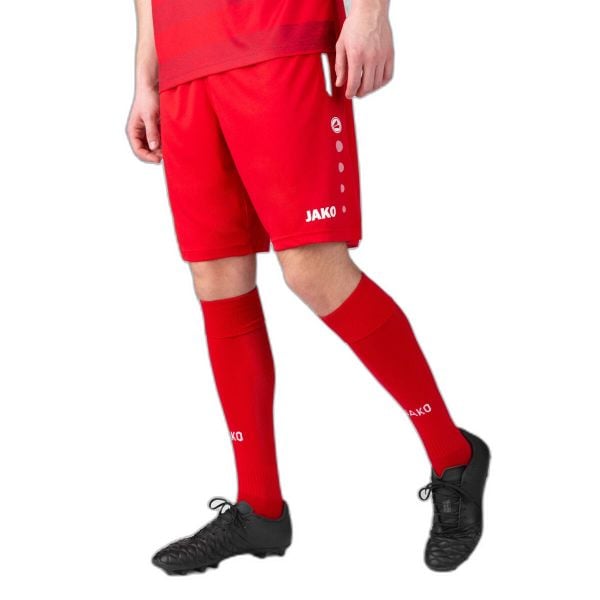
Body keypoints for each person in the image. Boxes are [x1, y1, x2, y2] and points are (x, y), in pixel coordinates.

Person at [126, 0, 490, 575]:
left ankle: (454, 456)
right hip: (184, 61)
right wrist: (146, 73)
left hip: (280, 36)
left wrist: (369, 16)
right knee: (216, 276)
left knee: (311, 266)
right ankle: (259, 508)